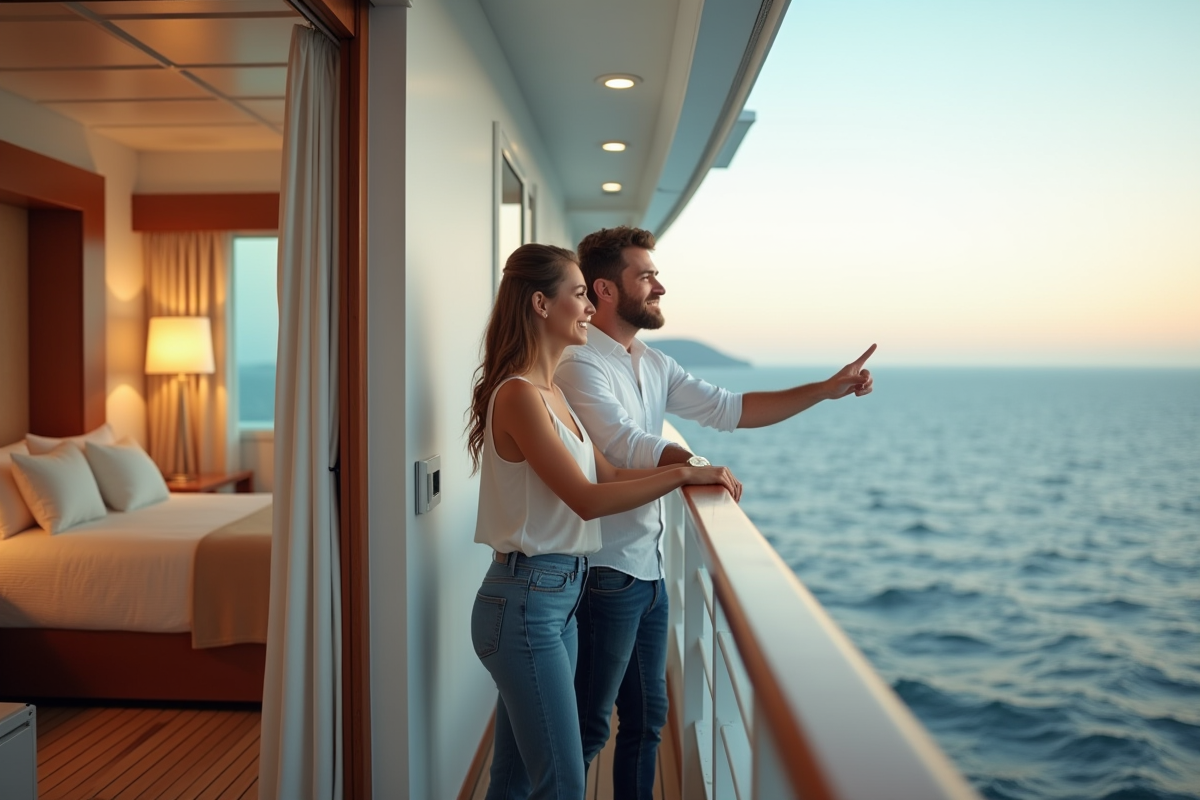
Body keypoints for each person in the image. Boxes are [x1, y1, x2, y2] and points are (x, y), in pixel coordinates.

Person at [556, 226, 875, 798]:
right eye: (646, 276)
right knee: (588, 728)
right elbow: (625, 444)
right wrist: (692, 464)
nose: (660, 286)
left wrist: (825, 389)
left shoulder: (651, 362)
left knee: (649, 721)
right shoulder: (580, 364)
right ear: (604, 289)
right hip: (605, 572)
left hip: (648, 570)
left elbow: (732, 409)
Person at [467, 243, 743, 800]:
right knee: (563, 784)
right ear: (542, 305)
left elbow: (611, 474)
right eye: (577, 294)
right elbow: (586, 499)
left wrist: (685, 470)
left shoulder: (553, 394)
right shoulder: (519, 396)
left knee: (517, 779)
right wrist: (681, 476)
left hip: (558, 597)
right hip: (523, 600)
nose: (589, 307)